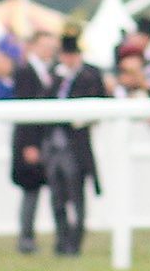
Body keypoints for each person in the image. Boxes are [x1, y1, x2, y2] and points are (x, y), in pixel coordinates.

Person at [43, 33, 105, 256]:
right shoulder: (54, 76)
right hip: (54, 145)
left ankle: (75, 242)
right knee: (57, 198)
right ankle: (61, 240)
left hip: (76, 145)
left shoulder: (90, 76)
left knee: (77, 196)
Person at [9, 30, 58, 255]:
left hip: (47, 139)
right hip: (30, 140)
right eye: (45, 45)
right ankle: (26, 238)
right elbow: (24, 109)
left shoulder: (51, 71)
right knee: (31, 190)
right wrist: (29, 144)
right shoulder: (25, 72)